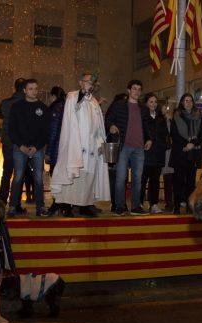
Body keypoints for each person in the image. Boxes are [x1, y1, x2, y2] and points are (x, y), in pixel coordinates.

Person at [51, 73, 111, 216]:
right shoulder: (73, 96)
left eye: (92, 82)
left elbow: (98, 127)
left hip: (91, 148)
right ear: (80, 82)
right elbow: (74, 109)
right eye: (88, 82)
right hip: (76, 145)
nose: (91, 84)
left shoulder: (94, 102)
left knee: (88, 179)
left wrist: (100, 143)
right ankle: (67, 207)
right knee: (73, 177)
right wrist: (83, 93)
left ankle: (84, 205)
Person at [107, 80, 153, 216]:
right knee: (121, 178)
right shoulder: (118, 105)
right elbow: (108, 119)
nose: (137, 92)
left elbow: (147, 126)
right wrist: (111, 126)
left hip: (139, 148)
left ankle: (135, 206)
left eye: (139, 89)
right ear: (128, 90)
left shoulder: (144, 109)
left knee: (138, 179)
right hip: (123, 147)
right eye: (134, 89)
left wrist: (149, 139)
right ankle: (119, 206)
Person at [8, 79, 51, 217]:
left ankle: (40, 208)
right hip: (19, 148)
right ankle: (13, 207)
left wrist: (37, 147)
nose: (34, 91)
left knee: (38, 178)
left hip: (37, 149)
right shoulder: (16, 106)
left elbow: (46, 131)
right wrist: (20, 146)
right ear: (25, 91)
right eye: (31, 88)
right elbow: (12, 129)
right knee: (18, 176)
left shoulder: (43, 108)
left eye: (36, 88)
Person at [170, 93, 202, 214]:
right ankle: (176, 207)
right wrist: (185, 145)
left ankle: (189, 207)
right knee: (178, 181)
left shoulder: (198, 116)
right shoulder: (176, 115)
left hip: (193, 153)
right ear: (182, 102)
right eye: (186, 100)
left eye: (190, 100)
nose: (189, 103)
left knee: (191, 182)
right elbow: (174, 134)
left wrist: (192, 144)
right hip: (180, 152)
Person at [0, 78, 27, 203]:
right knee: (19, 174)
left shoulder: (5, 102)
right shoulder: (27, 103)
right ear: (25, 89)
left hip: (8, 141)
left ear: (14, 88)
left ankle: (2, 200)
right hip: (21, 144)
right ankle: (16, 203)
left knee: (7, 172)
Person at [140, 93, 169, 214]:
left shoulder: (160, 118)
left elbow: (165, 134)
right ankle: (139, 203)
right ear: (146, 103)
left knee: (155, 180)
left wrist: (163, 144)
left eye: (155, 102)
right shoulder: (142, 116)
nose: (153, 104)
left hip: (158, 153)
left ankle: (154, 204)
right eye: (151, 102)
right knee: (142, 179)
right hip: (145, 153)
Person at [45, 86, 67, 216]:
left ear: (53, 96)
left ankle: (57, 204)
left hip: (57, 150)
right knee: (65, 179)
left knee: (56, 178)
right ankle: (65, 205)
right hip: (67, 150)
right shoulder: (67, 106)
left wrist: (48, 152)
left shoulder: (55, 108)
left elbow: (53, 132)